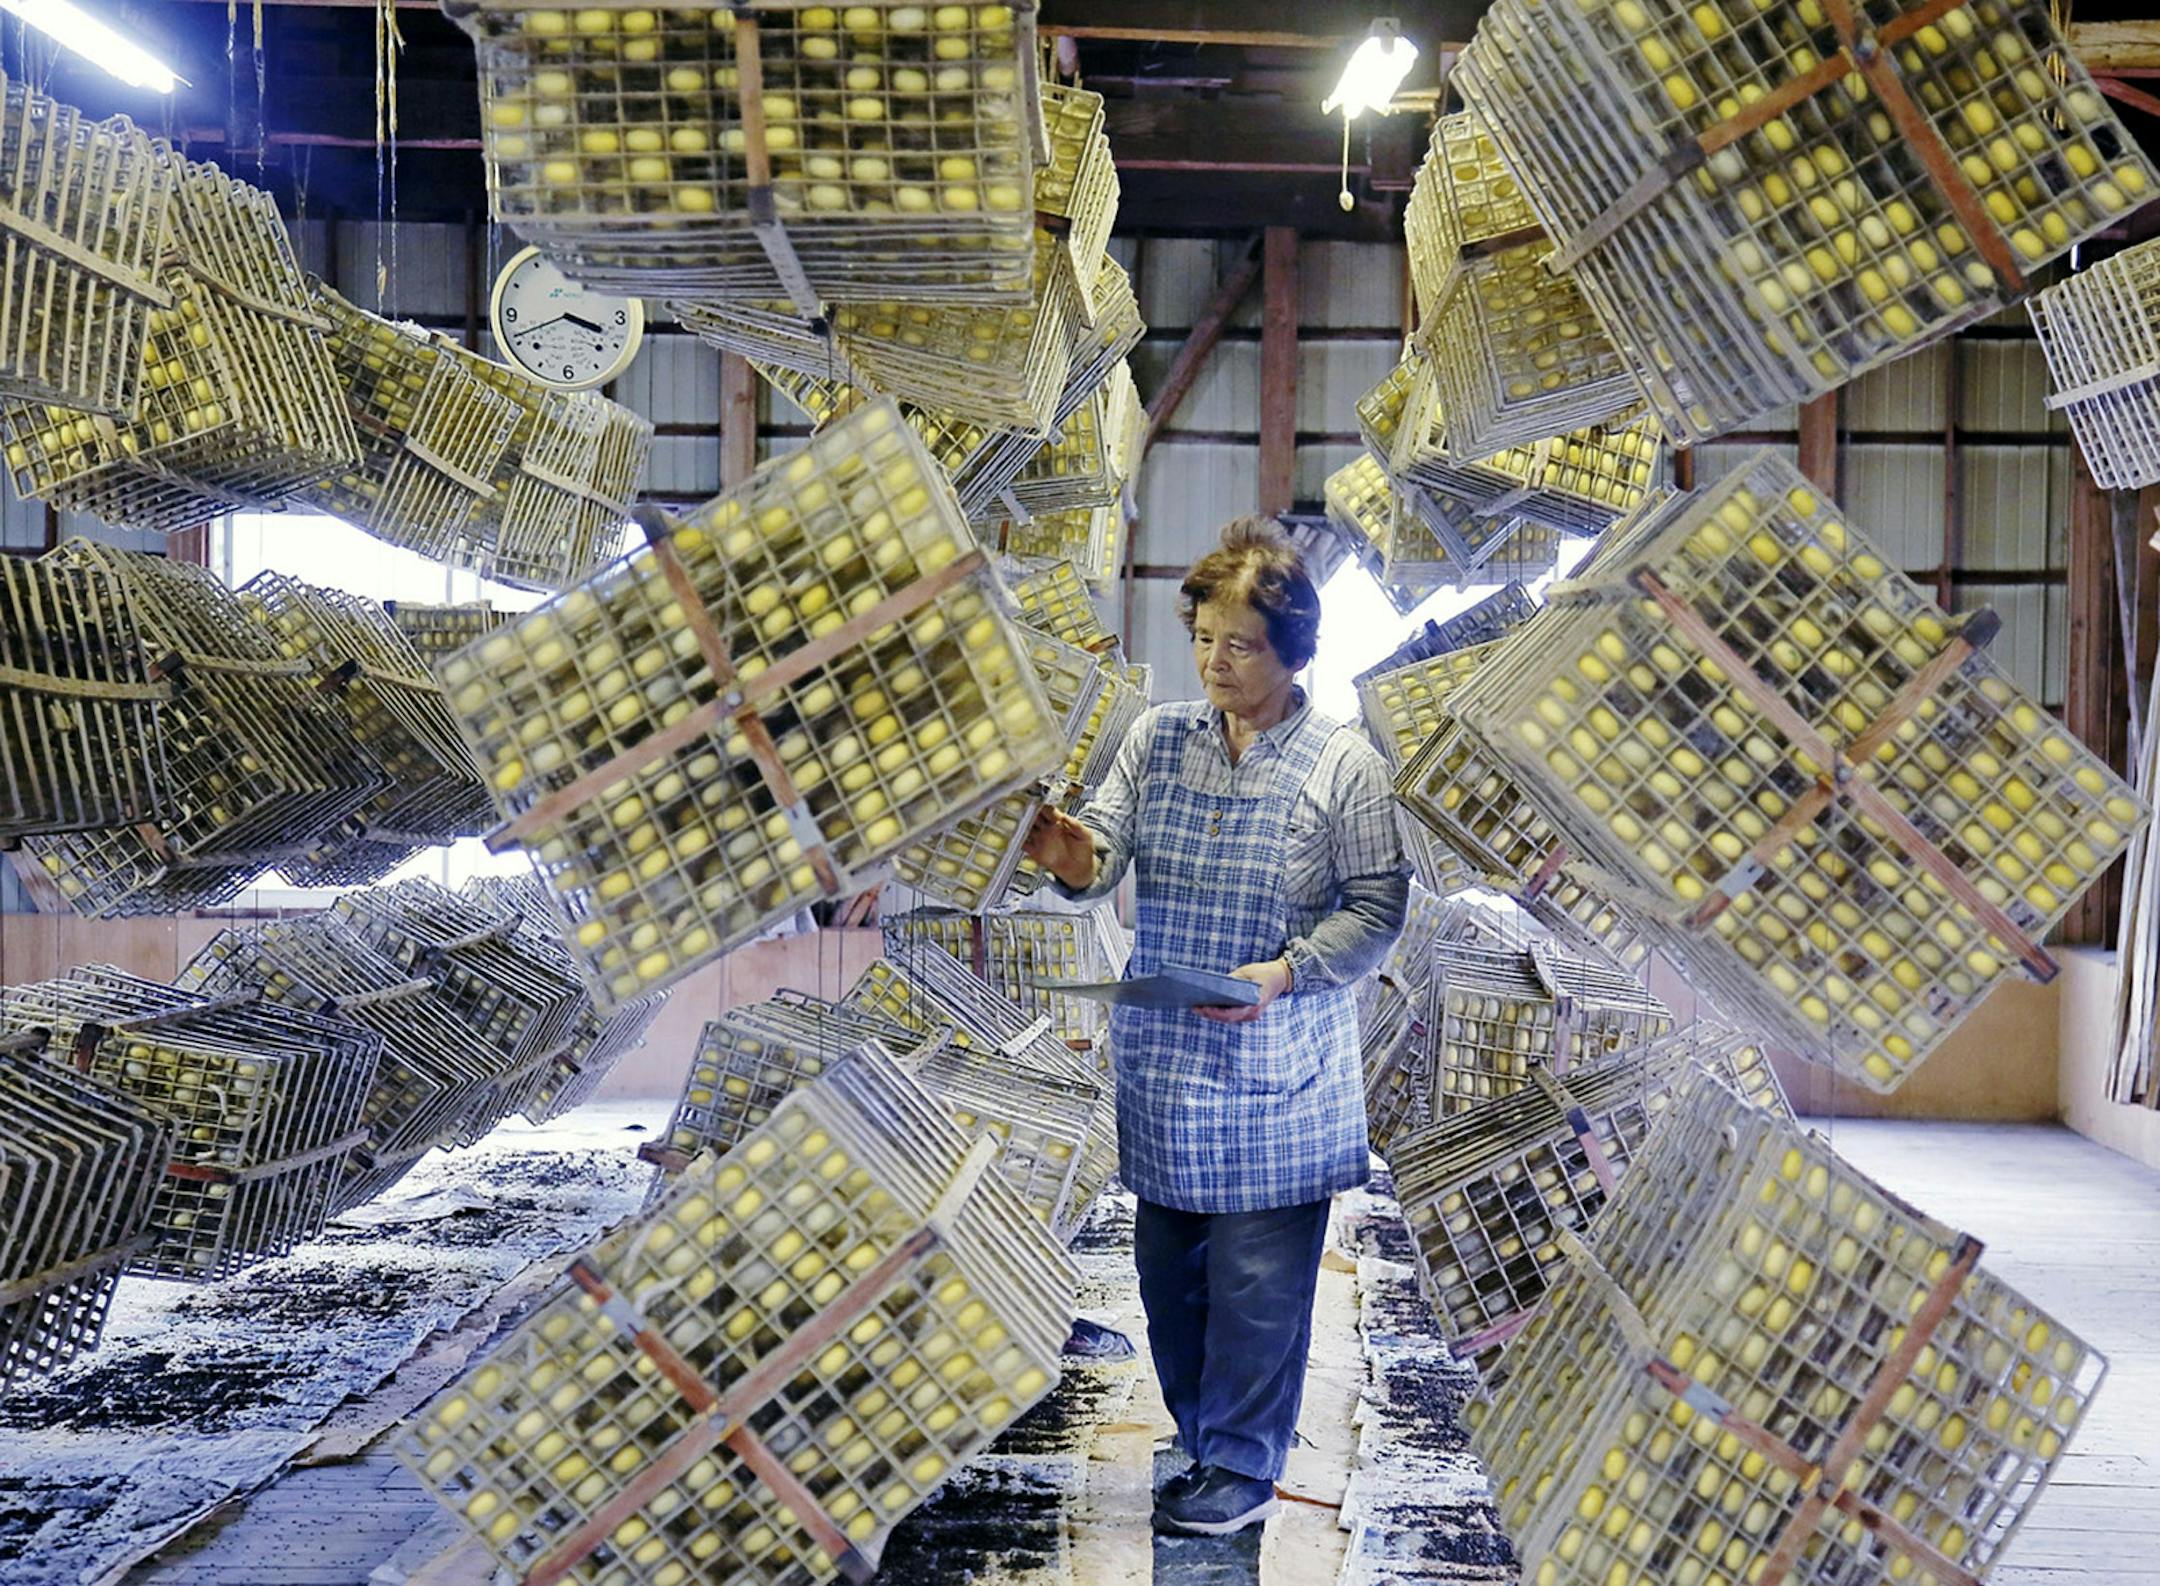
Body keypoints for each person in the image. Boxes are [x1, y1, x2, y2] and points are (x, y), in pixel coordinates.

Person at [1023, 517, 1409, 1536]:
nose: (1214, 660)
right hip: (1167, 1070)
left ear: (1293, 650)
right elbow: (1097, 861)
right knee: (1171, 1282)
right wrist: (1052, 841)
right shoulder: (1156, 738)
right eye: (1203, 636)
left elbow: (1375, 908)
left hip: (1279, 1076)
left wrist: (1285, 972)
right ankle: (1204, 1445)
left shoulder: (1345, 766)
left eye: (1239, 643)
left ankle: (1239, 1467)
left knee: (1254, 1292)